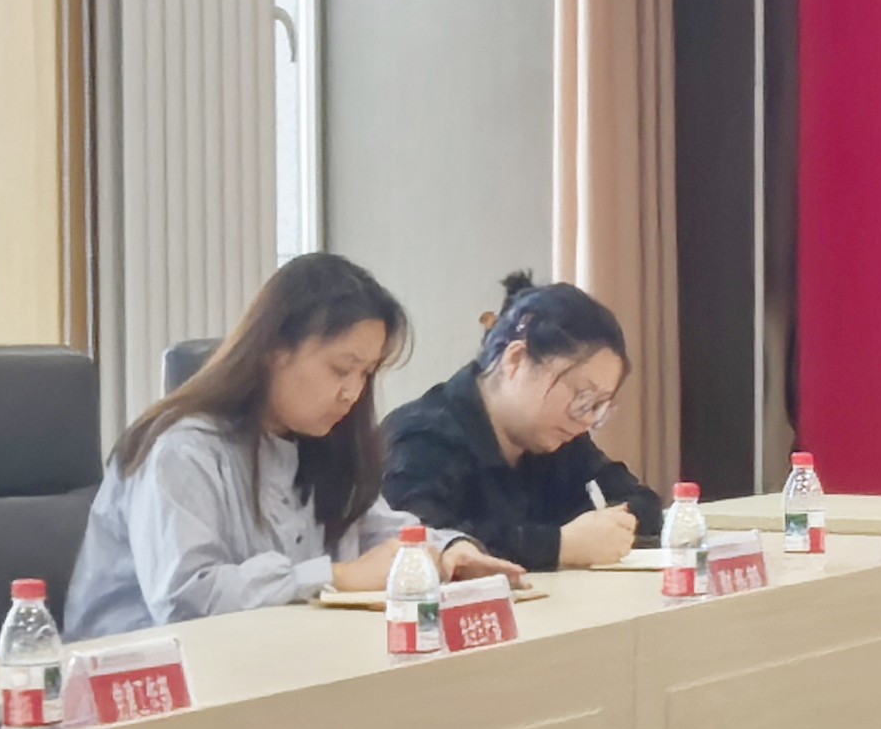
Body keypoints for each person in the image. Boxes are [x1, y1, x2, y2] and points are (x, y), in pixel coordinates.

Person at [64, 253, 519, 637]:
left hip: (274, 667)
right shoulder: (180, 449)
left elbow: (378, 531)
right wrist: (337, 577)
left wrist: (445, 552)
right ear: (275, 348)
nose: (353, 392)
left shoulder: (319, 443)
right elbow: (186, 599)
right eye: (341, 369)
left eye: (366, 374)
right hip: (142, 686)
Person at [383, 270, 663, 571]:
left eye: (598, 406)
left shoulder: (559, 439)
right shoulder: (422, 438)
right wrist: (558, 545)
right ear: (516, 360)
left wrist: (608, 527)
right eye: (583, 397)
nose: (586, 420)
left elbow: (641, 502)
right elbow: (421, 543)